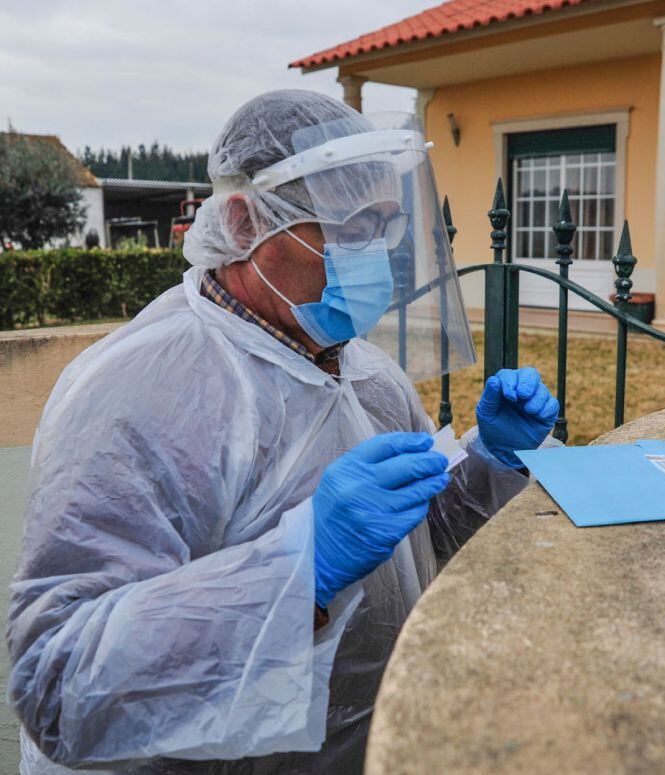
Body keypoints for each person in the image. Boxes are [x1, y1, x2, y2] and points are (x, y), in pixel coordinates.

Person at [6, 90, 560, 774]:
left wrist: (492, 459)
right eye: (348, 228)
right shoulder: (141, 389)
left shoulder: (364, 372)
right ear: (245, 223)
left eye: (385, 227)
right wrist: (300, 572)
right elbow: (60, 681)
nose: (378, 257)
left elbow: (416, 542)